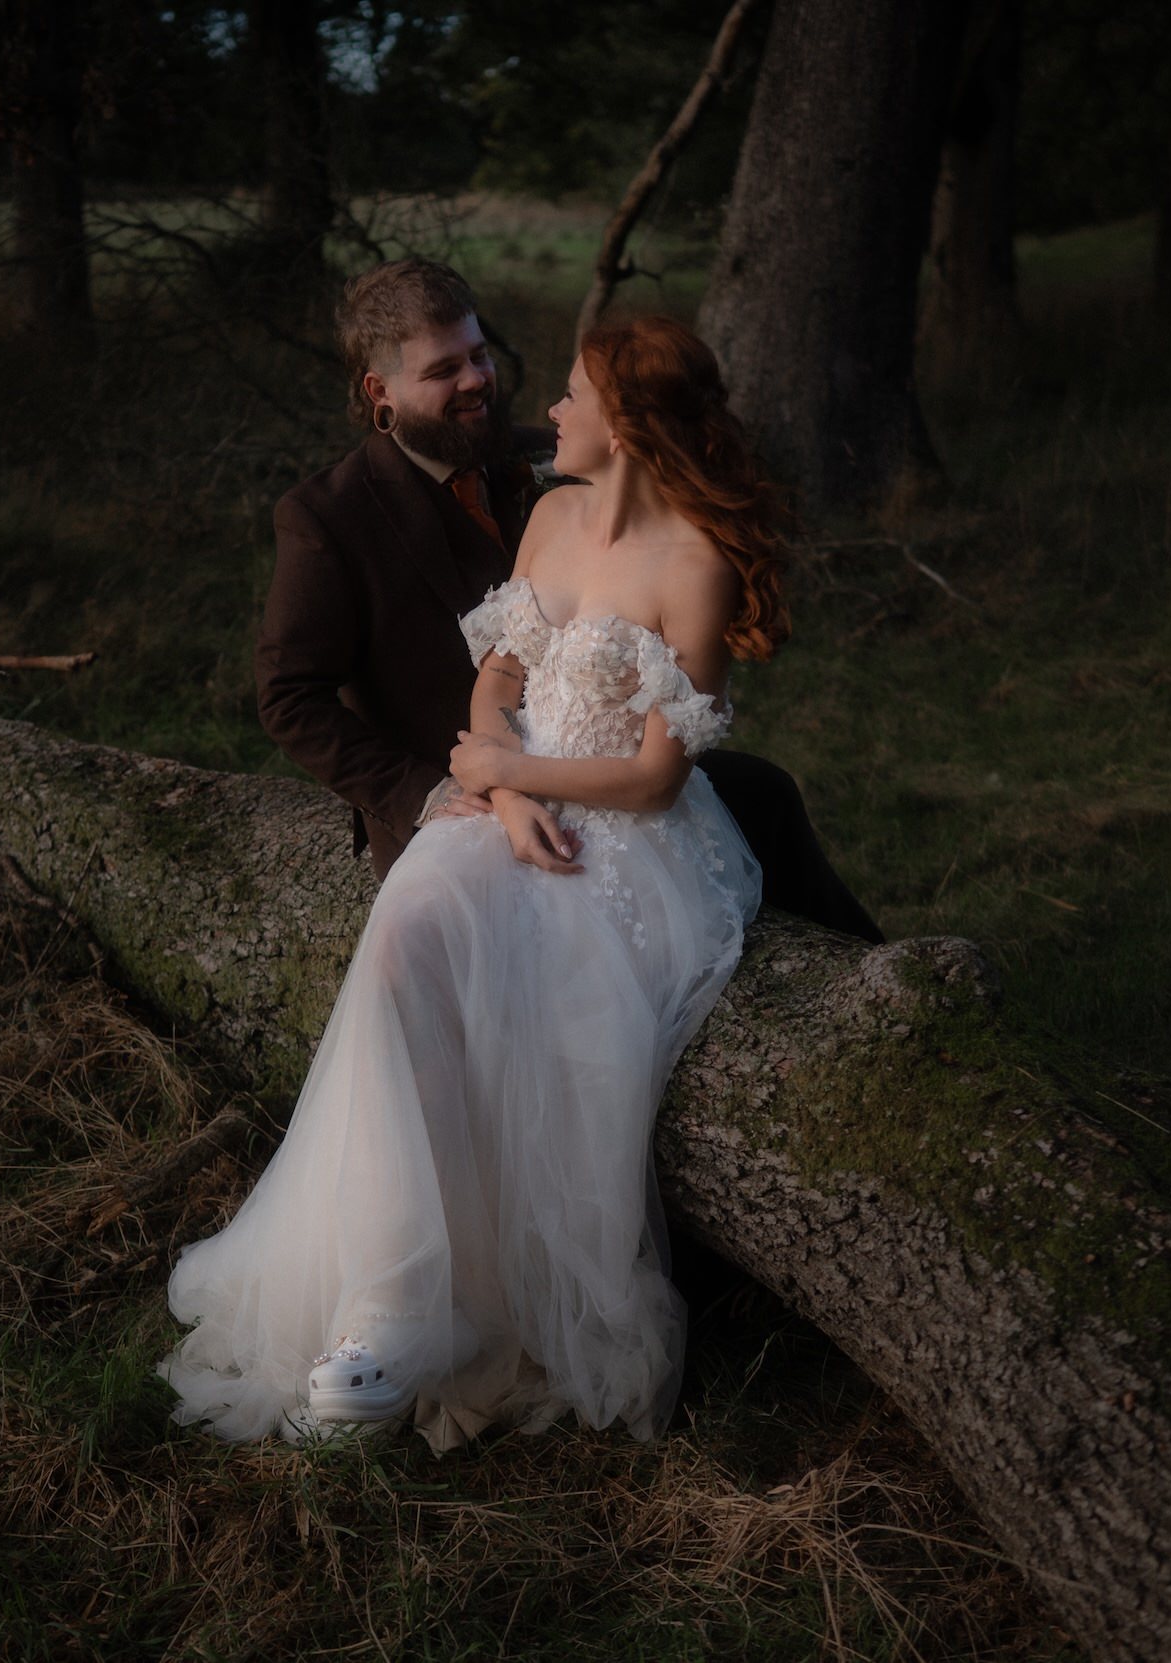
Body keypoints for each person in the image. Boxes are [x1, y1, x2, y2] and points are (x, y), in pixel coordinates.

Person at [158, 315, 786, 1446]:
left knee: (544, 998)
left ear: (628, 425)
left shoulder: (696, 564)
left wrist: (512, 769)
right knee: (402, 948)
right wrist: (499, 788)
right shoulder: (546, 514)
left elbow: (652, 776)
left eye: (574, 395)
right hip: (511, 806)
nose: (547, 408)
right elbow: (492, 685)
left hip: (624, 840)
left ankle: (477, 1305)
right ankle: (391, 1309)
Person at [252, 257, 880, 939]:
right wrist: (430, 792)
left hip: (593, 764)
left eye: (479, 355)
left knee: (767, 794)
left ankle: (875, 971)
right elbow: (289, 699)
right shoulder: (326, 517)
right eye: (442, 371)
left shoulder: (540, 458)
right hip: (454, 780)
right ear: (381, 389)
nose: (474, 382)